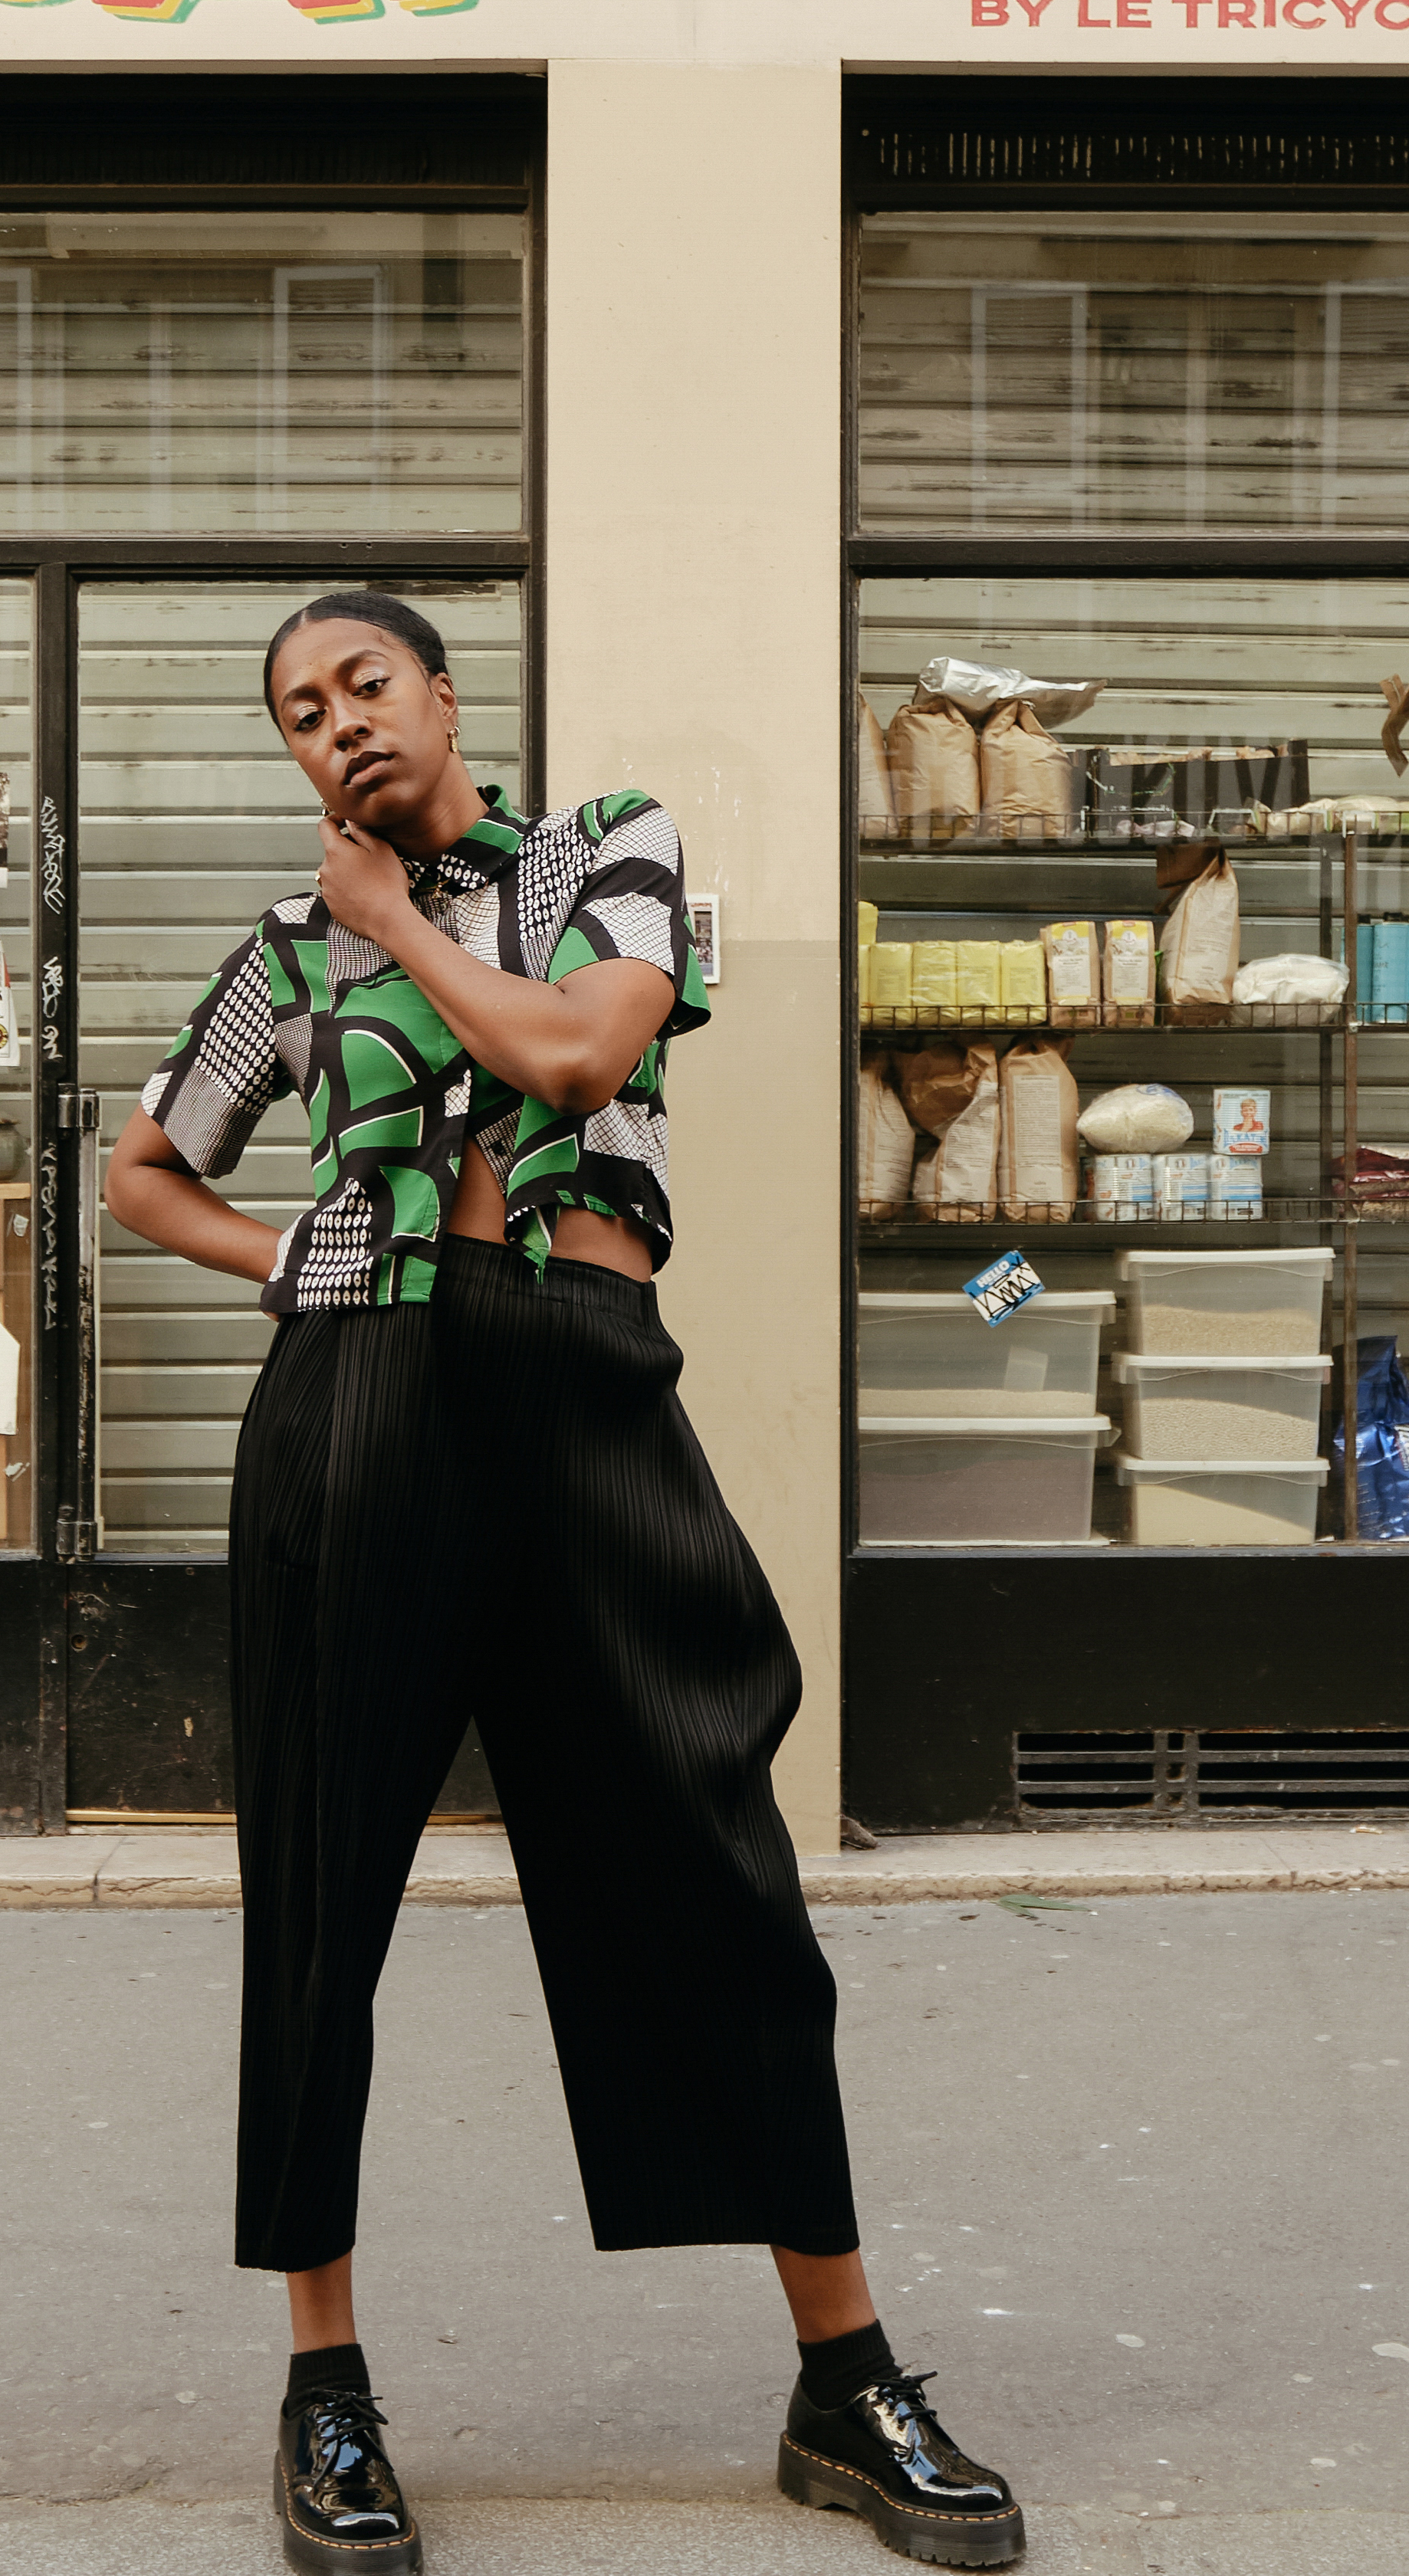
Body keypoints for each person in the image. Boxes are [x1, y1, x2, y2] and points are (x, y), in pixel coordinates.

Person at [103, 591, 1023, 2576]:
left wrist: (397, 924)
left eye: (362, 684)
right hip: (362, 1402)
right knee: (322, 1894)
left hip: (591, 1389)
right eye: (297, 714)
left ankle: (842, 2375)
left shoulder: (600, 854)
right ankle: (325, 2392)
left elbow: (587, 1060)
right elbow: (144, 1165)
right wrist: (288, 1268)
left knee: (719, 1869)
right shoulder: (280, 957)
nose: (336, 726)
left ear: (441, 695)